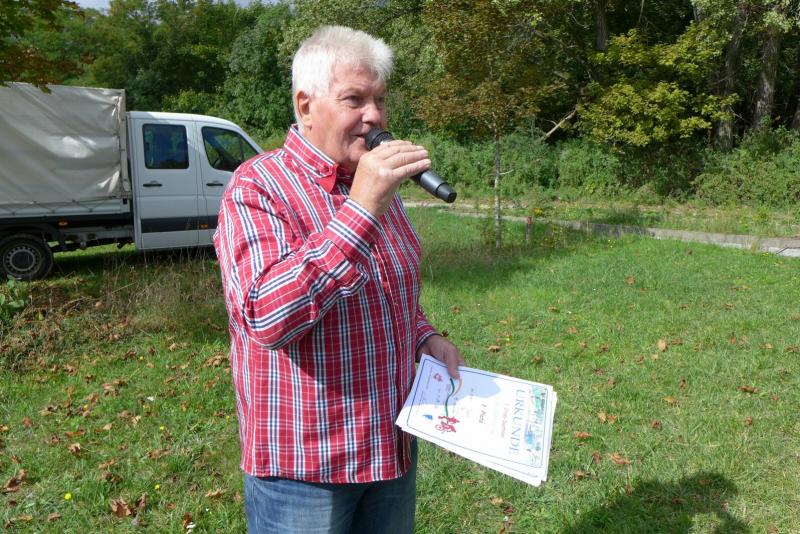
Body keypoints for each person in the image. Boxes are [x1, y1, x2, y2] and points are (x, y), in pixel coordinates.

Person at [214, 25, 464, 534]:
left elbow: (389, 290)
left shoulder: (372, 183)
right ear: (305, 106)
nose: (374, 116)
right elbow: (267, 317)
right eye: (355, 99)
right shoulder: (257, 186)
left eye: (380, 99)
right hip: (308, 465)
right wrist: (361, 209)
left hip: (390, 445)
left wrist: (425, 337)